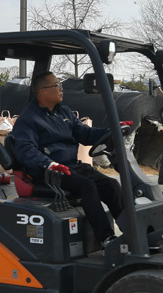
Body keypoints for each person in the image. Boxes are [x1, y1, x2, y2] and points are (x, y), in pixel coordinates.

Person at [11, 72, 125, 247]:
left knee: (111, 185)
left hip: (71, 166)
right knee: (87, 186)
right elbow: (26, 150)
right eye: (57, 85)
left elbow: (85, 134)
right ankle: (106, 238)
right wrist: (49, 164)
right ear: (42, 91)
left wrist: (113, 131)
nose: (61, 89)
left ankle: (133, 232)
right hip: (48, 170)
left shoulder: (64, 112)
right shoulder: (28, 119)